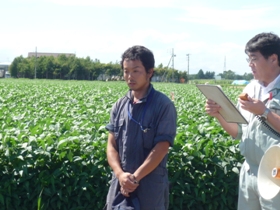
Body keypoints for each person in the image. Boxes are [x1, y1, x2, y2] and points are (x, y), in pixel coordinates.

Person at [205, 32, 280, 210]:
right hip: (249, 171)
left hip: (275, 174)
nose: (250, 64)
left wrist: (265, 111)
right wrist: (218, 114)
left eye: (254, 58)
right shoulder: (251, 87)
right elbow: (238, 132)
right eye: (248, 59)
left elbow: (266, 115)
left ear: (273, 59)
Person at [104, 45, 177, 209]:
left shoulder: (163, 105)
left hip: (149, 187)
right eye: (126, 71)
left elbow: (162, 147)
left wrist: (135, 178)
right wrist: (120, 175)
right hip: (120, 185)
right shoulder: (119, 105)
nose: (130, 76)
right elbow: (111, 145)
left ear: (150, 72)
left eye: (136, 71)